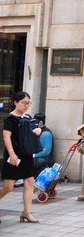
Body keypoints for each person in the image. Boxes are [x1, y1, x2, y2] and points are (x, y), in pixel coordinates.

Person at [0, 92, 42, 223]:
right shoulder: (10, 118)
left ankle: (26, 212)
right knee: (9, 186)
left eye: (28, 103)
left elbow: (30, 133)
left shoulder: (28, 117)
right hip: (14, 155)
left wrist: (37, 131)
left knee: (29, 182)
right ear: (16, 103)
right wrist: (12, 153)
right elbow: (6, 137)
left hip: (26, 154)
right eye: (23, 103)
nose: (26, 105)